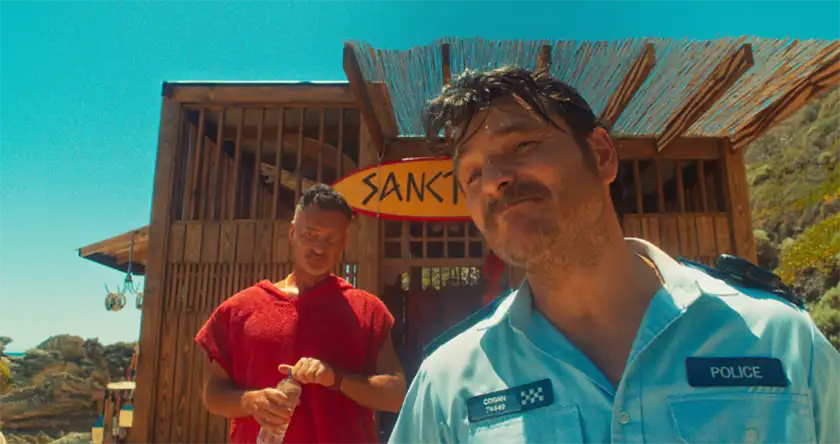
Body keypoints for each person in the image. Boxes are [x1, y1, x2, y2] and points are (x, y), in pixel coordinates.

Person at [387, 67, 840, 443]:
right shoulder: (446, 384)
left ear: (601, 155)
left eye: (522, 145)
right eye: (470, 174)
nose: (493, 180)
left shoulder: (781, 340)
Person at [196, 184, 406, 444]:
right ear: (293, 232)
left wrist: (336, 378)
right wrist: (250, 401)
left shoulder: (368, 311)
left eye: (331, 238)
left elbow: (396, 394)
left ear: (344, 242)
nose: (320, 247)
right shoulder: (239, 310)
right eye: (311, 233)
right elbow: (211, 393)